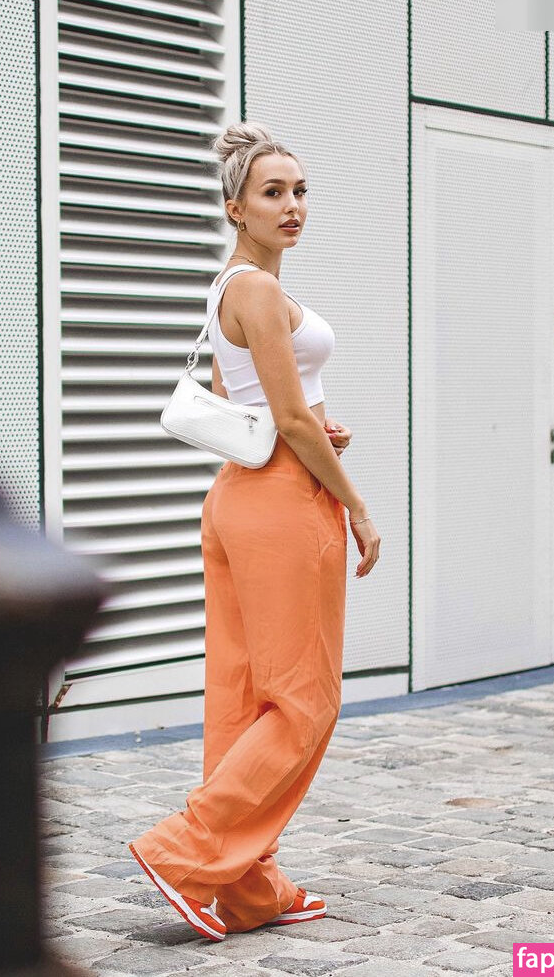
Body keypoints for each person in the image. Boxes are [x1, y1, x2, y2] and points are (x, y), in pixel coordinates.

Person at [128, 122, 381, 942]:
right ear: (236, 207)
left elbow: (254, 403)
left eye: (300, 190)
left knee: (242, 699)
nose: (292, 205)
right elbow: (290, 422)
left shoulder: (231, 287)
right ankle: (186, 852)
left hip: (240, 495)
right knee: (305, 701)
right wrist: (356, 505)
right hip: (281, 501)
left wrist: (315, 426)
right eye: (273, 192)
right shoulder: (260, 292)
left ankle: (245, 887)